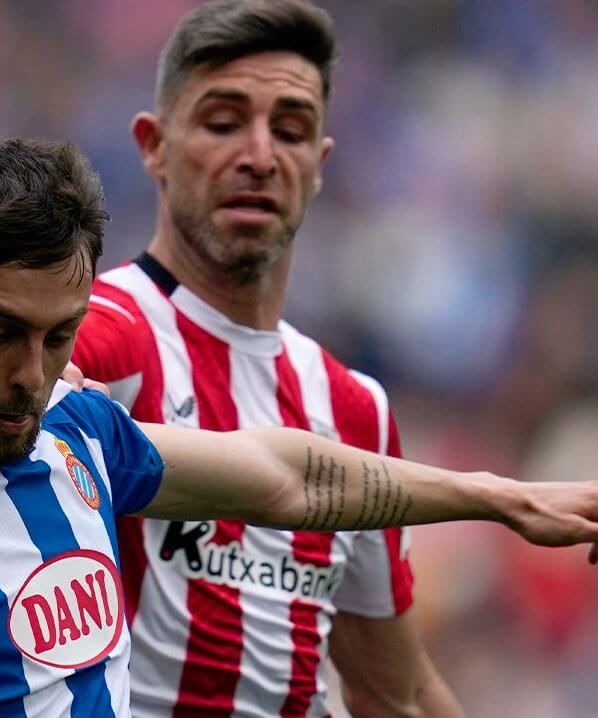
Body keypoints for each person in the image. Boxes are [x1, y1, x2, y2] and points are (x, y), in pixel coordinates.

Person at [0, 137, 598, 718]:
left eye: (59, 335)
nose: (33, 373)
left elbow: (286, 480)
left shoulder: (70, 421)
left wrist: (496, 498)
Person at [62, 1, 501, 716]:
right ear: (154, 145)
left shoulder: (354, 407)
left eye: (290, 130)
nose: (260, 156)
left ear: (319, 162)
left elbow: (397, 694)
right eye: (223, 123)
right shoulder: (102, 336)